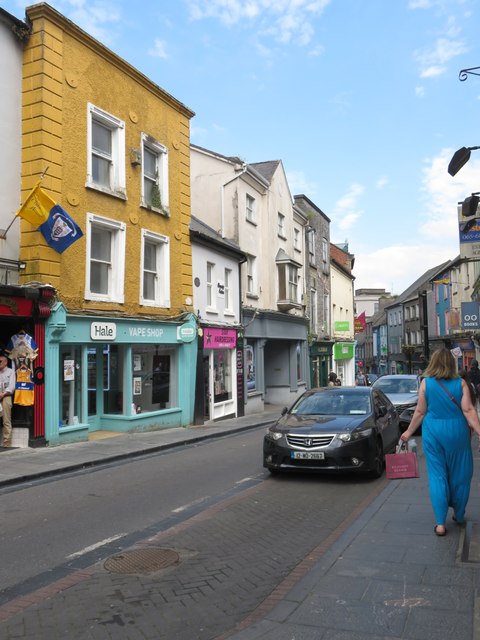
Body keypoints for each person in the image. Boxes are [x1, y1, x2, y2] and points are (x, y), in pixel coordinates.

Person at [400, 348, 480, 537]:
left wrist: (408, 432)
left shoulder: (426, 384)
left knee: (437, 476)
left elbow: (419, 412)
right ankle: (459, 515)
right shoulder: (461, 383)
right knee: (461, 473)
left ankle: (440, 524)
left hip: (433, 431)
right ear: (452, 364)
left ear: (433, 363)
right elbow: (468, 410)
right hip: (457, 431)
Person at [0, 353, 15, 448]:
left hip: (6, 397)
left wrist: (3, 394)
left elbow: (12, 386)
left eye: (0, 361)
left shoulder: (10, 372)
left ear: (5, 362)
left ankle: (6, 442)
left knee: (6, 420)